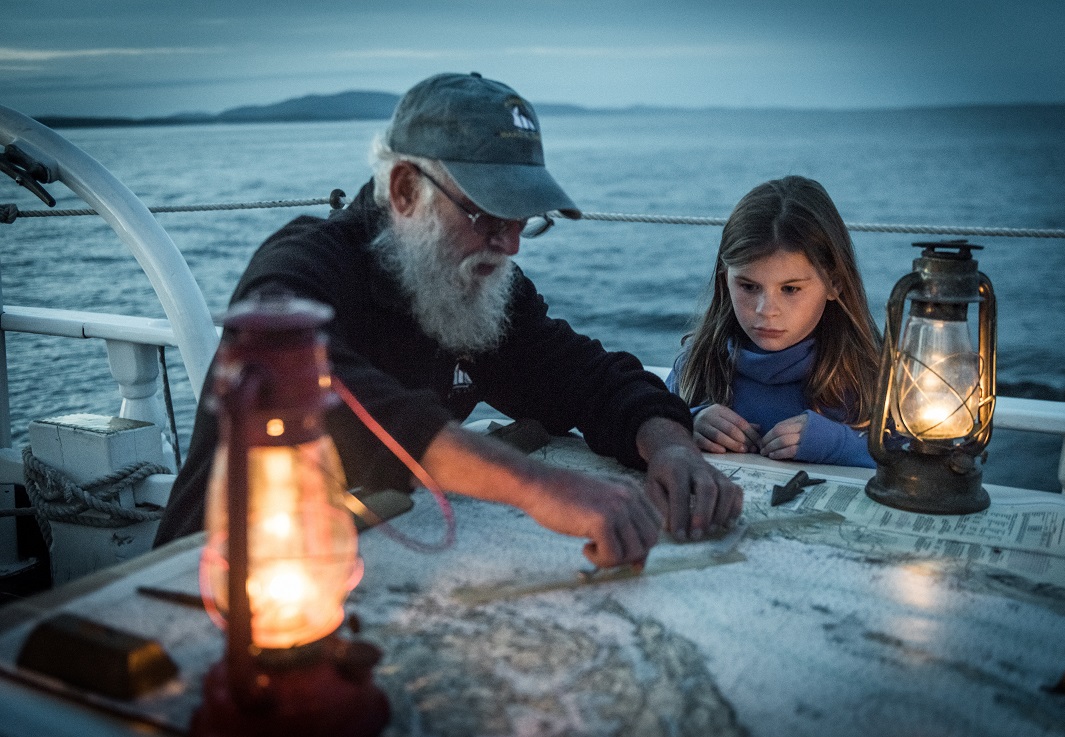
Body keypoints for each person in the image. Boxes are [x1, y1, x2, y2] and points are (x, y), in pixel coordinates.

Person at [154, 72, 742, 565]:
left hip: (365, 562)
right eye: (488, 215)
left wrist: (670, 447)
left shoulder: (472, 283)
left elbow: (582, 374)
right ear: (406, 189)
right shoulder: (303, 265)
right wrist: (534, 487)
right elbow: (305, 382)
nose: (509, 245)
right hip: (213, 574)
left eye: (521, 220)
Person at [666, 175, 881, 468]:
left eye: (790, 289)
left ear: (835, 284)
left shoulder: (869, 372)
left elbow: (918, 459)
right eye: (749, 286)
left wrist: (838, 443)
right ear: (725, 279)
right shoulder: (696, 365)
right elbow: (653, 421)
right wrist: (688, 422)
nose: (766, 310)